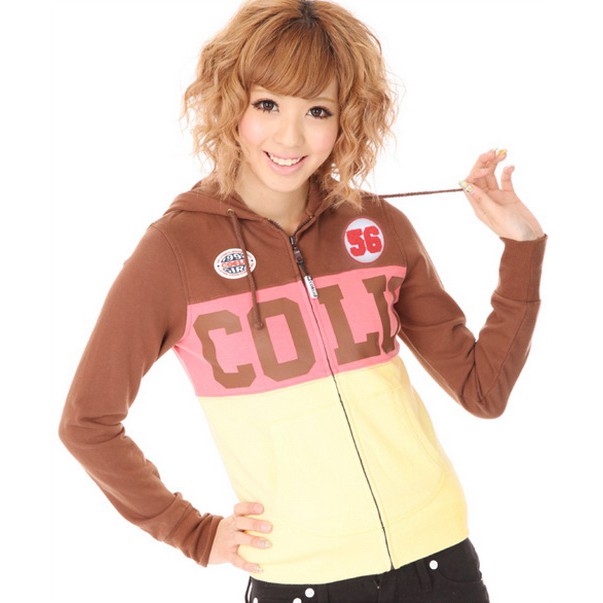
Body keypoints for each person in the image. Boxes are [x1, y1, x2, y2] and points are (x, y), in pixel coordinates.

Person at [58, 0, 546, 601]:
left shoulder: (378, 226)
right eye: (267, 104)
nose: (290, 137)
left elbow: (482, 392)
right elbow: (87, 423)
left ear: (348, 120)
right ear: (229, 103)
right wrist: (192, 532)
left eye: (318, 110)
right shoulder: (175, 252)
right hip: (302, 580)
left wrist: (522, 249)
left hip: (439, 561)